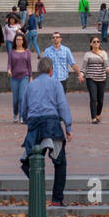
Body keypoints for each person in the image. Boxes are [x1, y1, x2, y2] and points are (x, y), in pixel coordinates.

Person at [20, 57, 73, 206]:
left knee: (34, 160)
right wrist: (68, 127)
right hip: (52, 124)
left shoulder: (30, 85)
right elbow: (62, 105)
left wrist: (27, 121)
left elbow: (24, 107)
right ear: (51, 70)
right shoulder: (56, 84)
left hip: (35, 124)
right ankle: (57, 198)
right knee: (60, 162)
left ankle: (38, 195)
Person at [81, 36, 109, 124]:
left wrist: (107, 68)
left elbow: (106, 64)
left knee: (100, 99)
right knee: (93, 98)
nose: (96, 43)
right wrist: (81, 75)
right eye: (94, 42)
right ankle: (93, 117)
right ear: (91, 44)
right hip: (91, 78)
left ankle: (98, 114)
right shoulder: (87, 54)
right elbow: (84, 67)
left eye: (98, 42)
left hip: (101, 78)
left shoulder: (103, 53)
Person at [8, 29, 33, 123]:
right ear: (15, 41)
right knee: (15, 99)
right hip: (14, 77)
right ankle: (15, 114)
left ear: (23, 41)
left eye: (20, 39)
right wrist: (9, 70)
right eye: (17, 39)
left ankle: (22, 116)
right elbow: (9, 64)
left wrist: (31, 77)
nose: (18, 41)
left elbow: (29, 66)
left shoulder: (27, 52)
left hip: (24, 77)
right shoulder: (12, 52)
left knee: (22, 97)